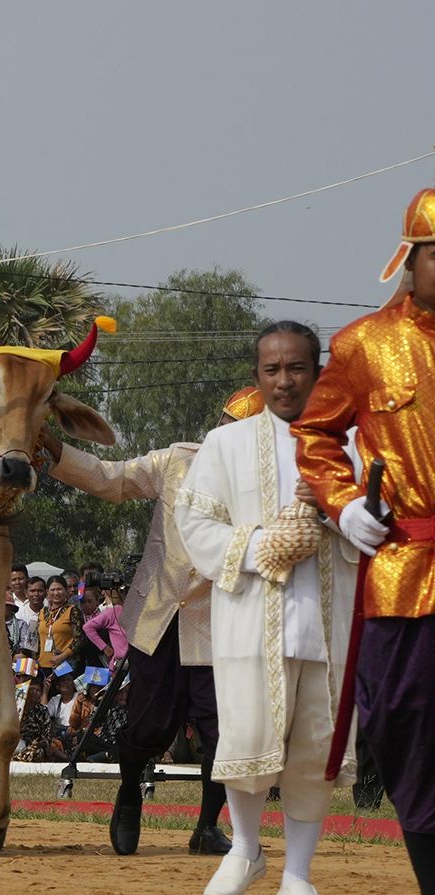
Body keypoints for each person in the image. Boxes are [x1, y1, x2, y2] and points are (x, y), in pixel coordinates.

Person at [176, 321, 357, 895]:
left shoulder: (350, 444)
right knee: (247, 737)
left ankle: (299, 873)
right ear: (257, 376)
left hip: (327, 624)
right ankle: (246, 850)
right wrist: (260, 546)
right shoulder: (224, 444)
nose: (285, 381)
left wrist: (332, 512)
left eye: (297, 368)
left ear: (317, 372)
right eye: (272, 370)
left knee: (315, 748)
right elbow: (196, 522)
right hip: (251, 620)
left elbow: (384, 520)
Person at [45, 387, 261, 856]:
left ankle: (206, 826)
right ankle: (128, 795)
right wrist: (56, 450)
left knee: (225, 733)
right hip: (159, 619)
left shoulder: (265, 490)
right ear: (217, 425)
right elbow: (111, 478)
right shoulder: (176, 462)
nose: (230, 436)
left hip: (220, 627)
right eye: (226, 425)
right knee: (148, 728)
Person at [293, 186, 435, 891]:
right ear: (411, 259)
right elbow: (316, 436)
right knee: (402, 727)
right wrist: (345, 504)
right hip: (404, 571)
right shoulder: (362, 345)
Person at [36, 578, 84, 671]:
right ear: (47, 592)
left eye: (59, 589)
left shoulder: (72, 610)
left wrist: (63, 656)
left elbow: (80, 638)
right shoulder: (42, 612)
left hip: (65, 664)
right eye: (52, 590)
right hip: (43, 664)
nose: (56, 593)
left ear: (66, 591)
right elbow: (38, 640)